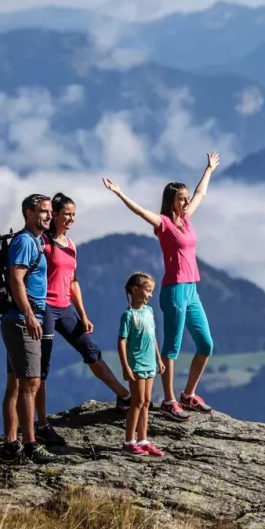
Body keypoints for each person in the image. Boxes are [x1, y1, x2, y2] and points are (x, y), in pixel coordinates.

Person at [101, 151, 220, 422]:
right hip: (174, 290)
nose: (187, 201)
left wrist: (209, 169)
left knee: (206, 344)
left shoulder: (187, 220)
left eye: (186, 197)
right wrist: (120, 194)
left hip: (192, 289)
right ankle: (168, 399)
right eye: (181, 198)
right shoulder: (164, 224)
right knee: (172, 348)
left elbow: (201, 193)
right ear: (171, 201)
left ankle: (188, 394)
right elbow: (142, 212)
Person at [33, 192, 131, 445]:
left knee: (90, 349)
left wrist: (83, 315)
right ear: (54, 215)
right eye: (67, 215)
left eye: (73, 215)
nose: (71, 220)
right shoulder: (42, 243)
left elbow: (73, 282)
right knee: (41, 368)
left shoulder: (71, 245)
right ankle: (42, 423)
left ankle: (123, 395)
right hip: (44, 309)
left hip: (65, 308)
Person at [2, 193, 57, 463]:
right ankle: (30, 444)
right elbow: (16, 278)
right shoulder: (25, 241)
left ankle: (11, 446)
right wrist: (30, 315)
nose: (49, 215)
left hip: (18, 319)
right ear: (29, 213)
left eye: (49, 212)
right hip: (24, 320)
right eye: (44, 211)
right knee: (30, 383)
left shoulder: (35, 240)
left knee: (15, 383)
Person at [118, 271, 166, 457]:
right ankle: (129, 441)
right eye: (147, 290)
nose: (150, 294)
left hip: (149, 363)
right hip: (137, 364)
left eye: (151, 291)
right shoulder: (128, 315)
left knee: (146, 401)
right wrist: (126, 366)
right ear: (134, 290)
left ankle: (143, 439)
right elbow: (121, 341)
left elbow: (152, 336)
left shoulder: (149, 311)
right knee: (137, 402)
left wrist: (158, 358)